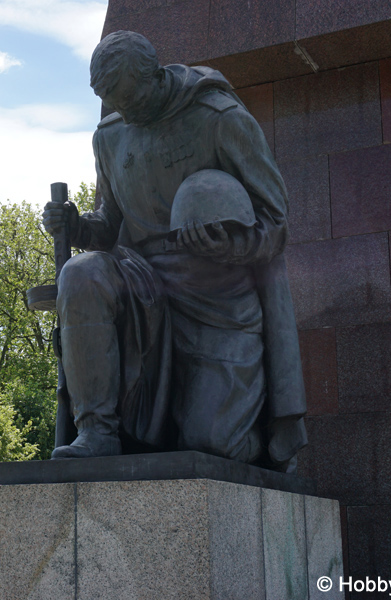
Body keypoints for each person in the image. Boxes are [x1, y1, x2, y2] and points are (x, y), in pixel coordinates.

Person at [42, 30, 307, 472]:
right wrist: (77, 227)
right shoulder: (109, 136)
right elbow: (108, 226)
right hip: (143, 282)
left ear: (155, 75)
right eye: (115, 104)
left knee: (211, 445)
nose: (127, 112)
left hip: (218, 293)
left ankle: (246, 427)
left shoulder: (219, 118)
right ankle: (97, 430)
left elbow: (276, 222)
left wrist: (230, 243)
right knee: (81, 273)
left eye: (132, 99)